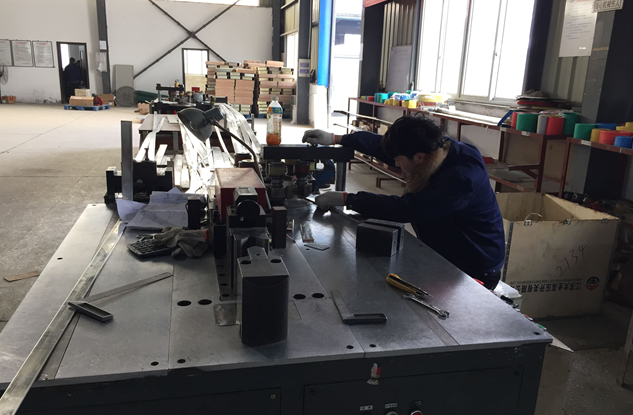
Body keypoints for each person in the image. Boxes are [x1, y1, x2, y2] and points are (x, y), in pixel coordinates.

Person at [302, 115, 505, 289]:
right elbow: (386, 148)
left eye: (398, 160)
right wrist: (338, 138)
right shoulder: (436, 148)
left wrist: (348, 199)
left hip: (472, 268)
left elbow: (406, 209)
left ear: (419, 158)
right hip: (445, 250)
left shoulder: (462, 180)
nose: (395, 164)